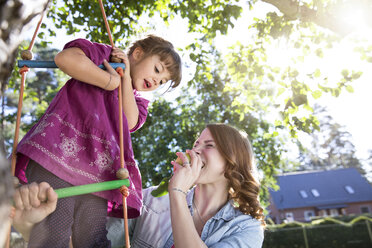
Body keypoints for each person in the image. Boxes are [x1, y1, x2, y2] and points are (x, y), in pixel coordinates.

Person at [13, 35, 182, 247]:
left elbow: (129, 122)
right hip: (58, 155)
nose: (157, 81)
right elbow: (66, 59)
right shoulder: (105, 56)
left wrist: (125, 80)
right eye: (157, 70)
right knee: (55, 226)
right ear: (137, 53)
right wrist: (109, 80)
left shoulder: (138, 103)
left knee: (93, 237)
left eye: (162, 82)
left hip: (98, 174)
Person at [13, 123, 265, 247]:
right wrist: (31, 227)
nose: (195, 151)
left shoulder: (247, 228)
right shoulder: (147, 201)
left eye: (208, 146)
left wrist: (177, 192)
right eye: (196, 144)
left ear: (233, 163)